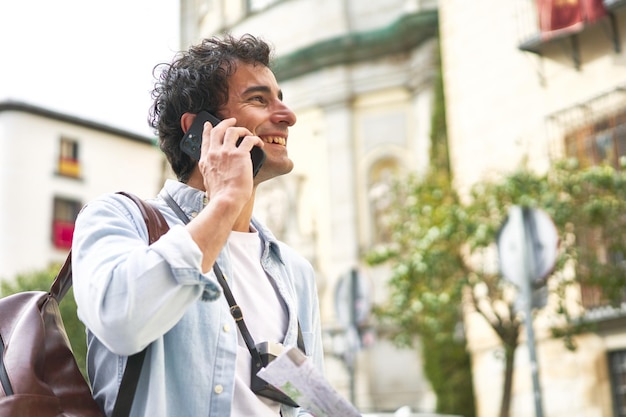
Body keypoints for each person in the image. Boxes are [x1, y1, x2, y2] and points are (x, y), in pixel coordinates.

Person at [72, 34, 324, 417]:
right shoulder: (118, 219)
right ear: (201, 130)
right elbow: (120, 321)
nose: (287, 115)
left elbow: (311, 404)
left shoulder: (294, 272)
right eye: (259, 99)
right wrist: (225, 201)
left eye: (281, 98)